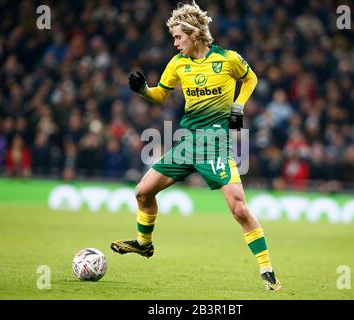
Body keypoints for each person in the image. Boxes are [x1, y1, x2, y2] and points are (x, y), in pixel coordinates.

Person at [110, 1, 282, 291]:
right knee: (142, 192)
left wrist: (238, 105)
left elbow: (250, 78)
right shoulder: (177, 64)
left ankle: (267, 271)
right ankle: (143, 244)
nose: (175, 43)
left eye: (178, 37)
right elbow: (160, 95)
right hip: (187, 143)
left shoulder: (228, 59)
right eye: (174, 38)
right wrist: (142, 90)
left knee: (239, 209)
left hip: (216, 145)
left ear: (194, 34)